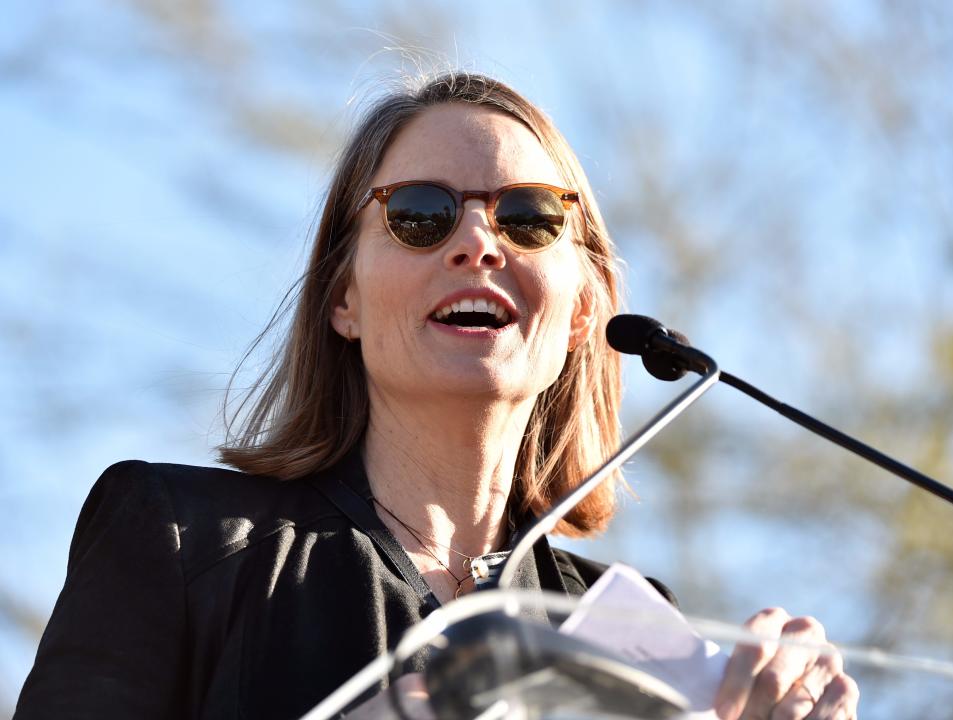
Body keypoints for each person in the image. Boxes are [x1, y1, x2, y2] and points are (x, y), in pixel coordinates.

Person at [15, 72, 859, 720]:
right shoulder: (180, 535)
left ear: (585, 309)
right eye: (420, 213)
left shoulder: (637, 634)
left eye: (531, 217)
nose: (479, 243)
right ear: (342, 298)